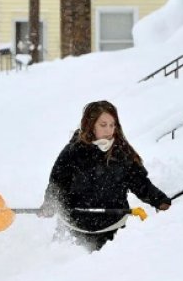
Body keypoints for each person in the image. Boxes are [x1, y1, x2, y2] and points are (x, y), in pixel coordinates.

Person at [39, 100, 171, 251]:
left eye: (112, 125)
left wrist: (160, 201)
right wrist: (50, 204)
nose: (109, 130)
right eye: (103, 125)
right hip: (73, 232)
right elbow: (57, 184)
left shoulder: (122, 154)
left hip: (112, 234)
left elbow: (140, 184)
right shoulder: (72, 152)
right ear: (91, 125)